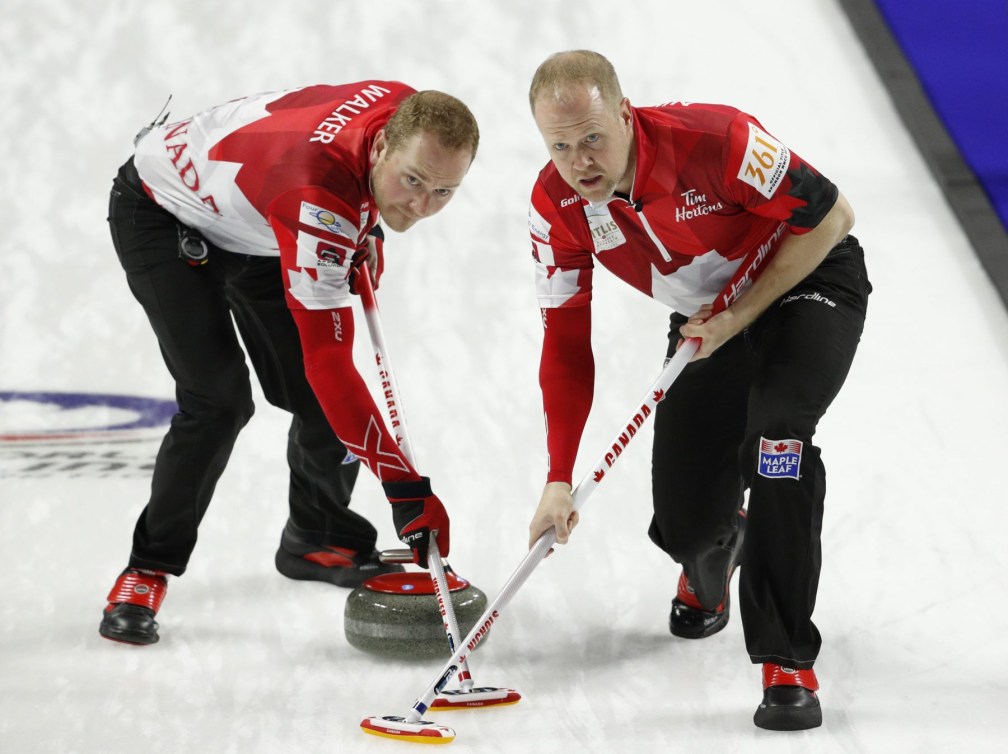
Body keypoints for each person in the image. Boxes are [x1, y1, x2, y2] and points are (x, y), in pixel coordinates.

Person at [525, 51, 870, 731]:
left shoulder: (720, 142)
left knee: (778, 443)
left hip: (808, 284)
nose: (580, 160)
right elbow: (565, 345)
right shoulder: (555, 206)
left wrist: (741, 316)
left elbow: (833, 216)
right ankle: (720, 540)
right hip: (708, 324)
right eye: (559, 145)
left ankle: (786, 658)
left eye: (593, 136)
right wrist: (558, 477)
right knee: (683, 518)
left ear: (625, 113)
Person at [100, 81, 478, 646]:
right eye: (413, 182)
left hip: (259, 218)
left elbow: (338, 181)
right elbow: (331, 359)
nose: (422, 206)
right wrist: (405, 488)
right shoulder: (318, 201)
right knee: (218, 401)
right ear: (380, 150)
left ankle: (317, 535)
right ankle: (147, 567)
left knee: (318, 398)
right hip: (161, 213)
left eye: (444, 190)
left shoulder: (404, 109)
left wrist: (368, 222)